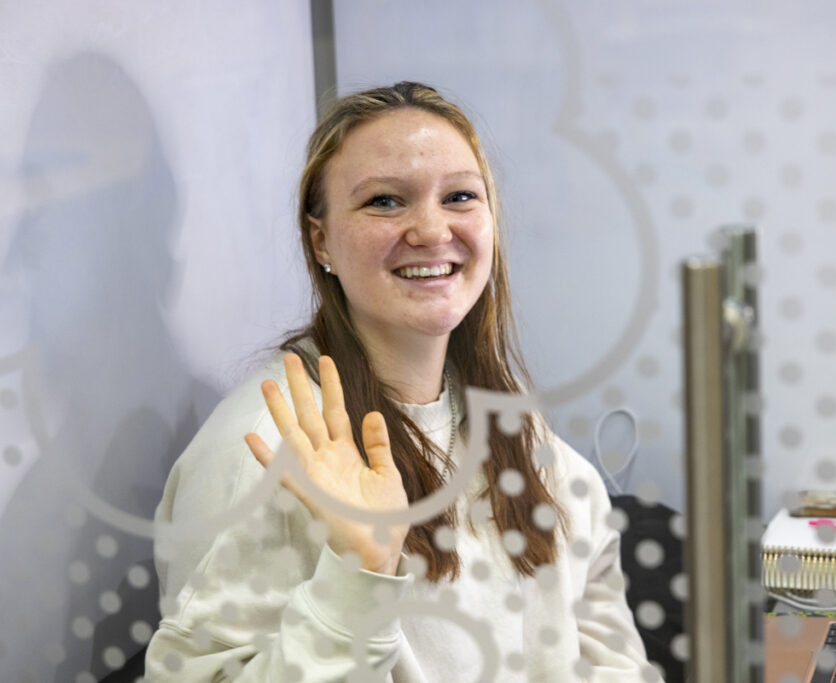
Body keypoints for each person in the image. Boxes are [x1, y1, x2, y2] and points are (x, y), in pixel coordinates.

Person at [145, 81, 658, 681]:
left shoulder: (506, 422)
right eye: (385, 202)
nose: (432, 230)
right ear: (321, 240)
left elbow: (607, 651)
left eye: (460, 196)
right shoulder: (263, 447)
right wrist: (357, 575)